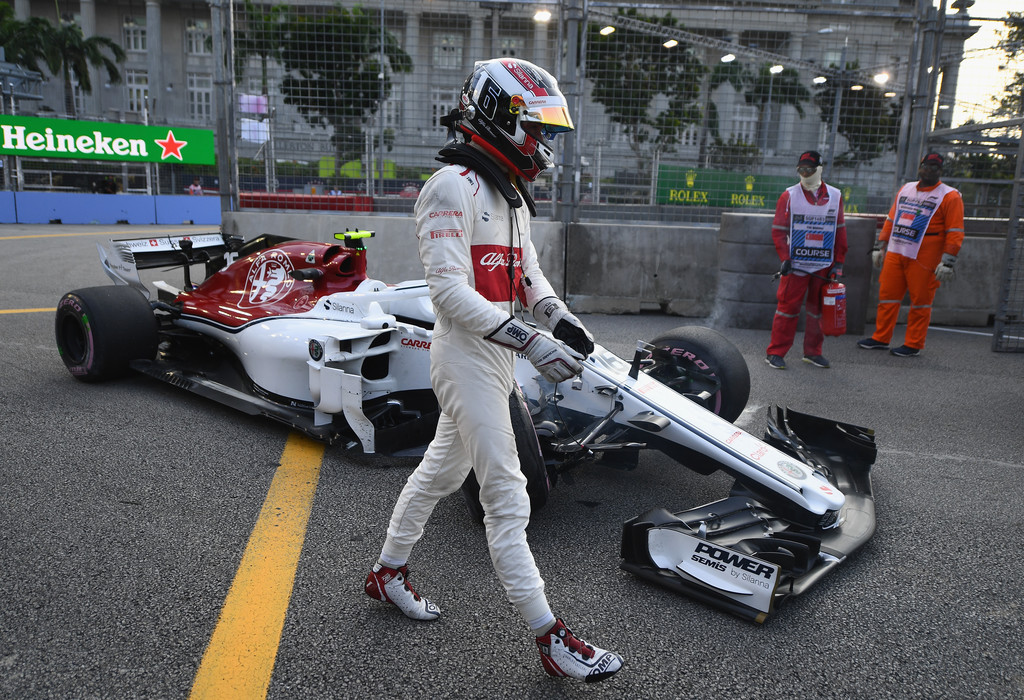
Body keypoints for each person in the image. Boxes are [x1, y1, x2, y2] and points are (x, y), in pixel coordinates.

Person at [363, 58, 624, 683]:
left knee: (440, 472)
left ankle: (387, 573)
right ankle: (550, 637)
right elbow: (447, 296)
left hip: (497, 358)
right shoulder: (451, 186)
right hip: (464, 360)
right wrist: (532, 341)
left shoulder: (508, 193)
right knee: (508, 496)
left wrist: (560, 320)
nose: (543, 144)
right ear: (499, 119)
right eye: (536, 130)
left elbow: (527, 276)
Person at [857, 153, 964, 357]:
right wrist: (881, 246)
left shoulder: (950, 196)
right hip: (897, 251)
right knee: (887, 297)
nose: (930, 170)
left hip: (925, 257)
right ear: (919, 167)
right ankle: (881, 338)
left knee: (921, 301)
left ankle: (913, 344)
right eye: (927, 166)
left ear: (940, 171)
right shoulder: (906, 189)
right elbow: (892, 217)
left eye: (935, 167)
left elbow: (955, 230)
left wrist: (948, 261)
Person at [765, 150, 847, 370]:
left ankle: (813, 352)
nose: (805, 173)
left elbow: (840, 231)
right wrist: (785, 258)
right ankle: (775, 352)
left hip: (823, 264)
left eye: (809, 169)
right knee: (787, 309)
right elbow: (778, 231)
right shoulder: (789, 196)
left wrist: (838, 264)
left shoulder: (835, 196)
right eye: (801, 169)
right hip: (797, 265)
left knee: (818, 310)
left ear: (819, 169)